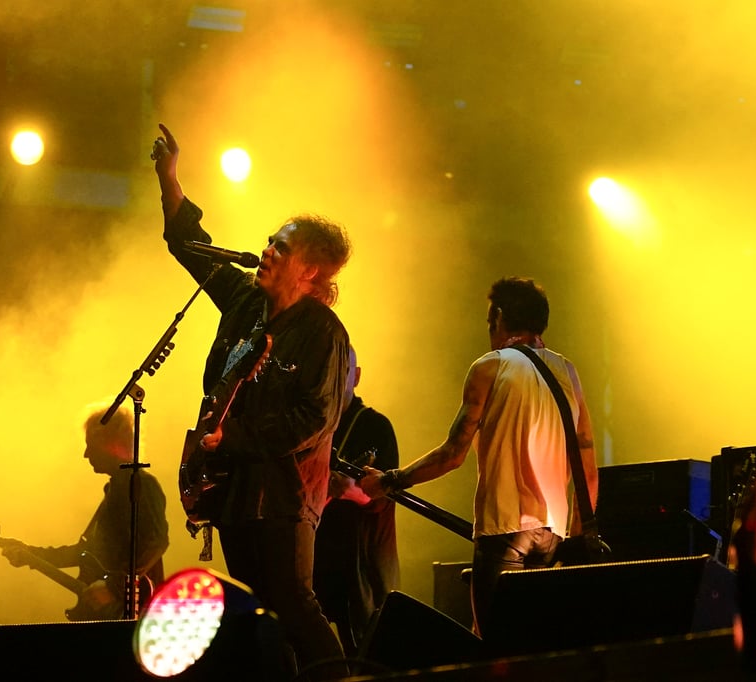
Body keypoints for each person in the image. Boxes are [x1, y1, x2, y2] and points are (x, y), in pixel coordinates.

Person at [152, 123, 352, 680]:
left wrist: (232, 437)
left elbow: (314, 418)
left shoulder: (323, 334)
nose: (266, 250)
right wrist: (170, 179)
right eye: (270, 241)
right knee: (253, 613)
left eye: (280, 247)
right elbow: (185, 246)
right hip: (234, 491)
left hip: (285, 497)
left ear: (309, 269)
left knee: (292, 603)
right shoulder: (244, 303)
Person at [361, 277, 597, 639]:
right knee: (535, 646)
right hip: (553, 535)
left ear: (499, 317)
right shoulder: (568, 372)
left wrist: (390, 480)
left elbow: (453, 454)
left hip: (504, 529)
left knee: (493, 646)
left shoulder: (490, 366)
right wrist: (577, 537)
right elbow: (587, 467)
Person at [0, 402, 169, 620]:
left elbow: (156, 541)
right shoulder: (115, 488)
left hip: (132, 614)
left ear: (110, 443)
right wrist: (30, 554)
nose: (86, 454)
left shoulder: (140, 484)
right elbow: (86, 553)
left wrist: (115, 586)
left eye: (91, 445)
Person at [313, 346, 400, 657]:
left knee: (366, 655)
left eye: (343, 371)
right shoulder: (313, 426)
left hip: (362, 568)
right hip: (317, 563)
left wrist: (347, 489)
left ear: (357, 376)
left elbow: (386, 496)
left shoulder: (375, 426)